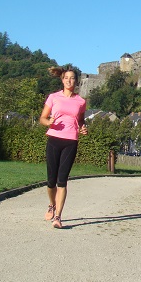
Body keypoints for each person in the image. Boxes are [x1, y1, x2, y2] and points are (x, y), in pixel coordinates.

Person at [39, 65, 88, 228]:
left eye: (72, 78)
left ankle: (58, 216)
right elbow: (42, 118)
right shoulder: (53, 97)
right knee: (51, 181)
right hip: (53, 139)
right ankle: (51, 205)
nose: (69, 80)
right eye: (66, 77)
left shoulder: (81, 101)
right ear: (62, 79)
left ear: (76, 81)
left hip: (70, 141)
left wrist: (82, 127)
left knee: (62, 181)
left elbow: (80, 120)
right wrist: (49, 122)